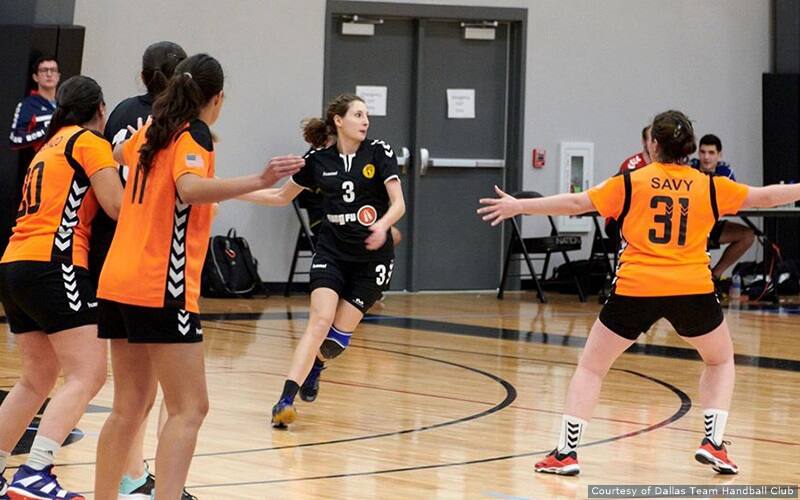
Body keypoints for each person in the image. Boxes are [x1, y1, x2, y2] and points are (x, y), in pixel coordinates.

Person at [479, 109, 800, 476]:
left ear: (653, 144)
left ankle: (566, 453)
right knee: (719, 360)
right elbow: (765, 197)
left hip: (636, 287)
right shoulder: (710, 185)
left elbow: (575, 204)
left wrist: (519, 206)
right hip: (691, 287)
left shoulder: (630, 182)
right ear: (689, 148)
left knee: (592, 368)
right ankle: (713, 444)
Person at [92, 53, 303, 500]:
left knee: (128, 408)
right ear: (218, 98)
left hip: (116, 280)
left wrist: (267, 193)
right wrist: (258, 178)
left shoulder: (151, 131)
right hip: (158, 286)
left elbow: (115, 154)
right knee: (190, 407)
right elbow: (189, 187)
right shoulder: (195, 134)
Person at [242, 93, 405, 428]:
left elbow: (399, 204)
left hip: (372, 261)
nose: (365, 121)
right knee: (319, 322)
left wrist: (383, 225)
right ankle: (284, 401)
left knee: (333, 342)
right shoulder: (317, 161)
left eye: (366, 115)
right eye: (358, 115)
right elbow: (279, 196)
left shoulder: (379, 152)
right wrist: (228, 191)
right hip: (332, 253)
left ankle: (316, 367)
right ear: (338, 120)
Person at [0, 75, 123, 500]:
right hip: (56, 262)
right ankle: (36, 472)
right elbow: (117, 206)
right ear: (100, 110)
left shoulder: (50, 146)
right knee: (89, 373)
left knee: (36, 377)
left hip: (15, 263)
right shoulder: (89, 142)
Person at [87, 41, 193, 500]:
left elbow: (112, 170)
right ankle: (156, 484)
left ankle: (131, 479)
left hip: (115, 251)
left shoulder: (124, 114)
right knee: (178, 396)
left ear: (143, 73)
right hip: (158, 258)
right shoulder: (181, 127)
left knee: (130, 397)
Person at [688, 134, 755, 284]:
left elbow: (732, 200)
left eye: (711, 153)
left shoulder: (726, 172)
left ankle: (715, 275)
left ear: (719, 155)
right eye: (703, 152)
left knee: (747, 235)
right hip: (689, 228)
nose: (706, 157)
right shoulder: (689, 169)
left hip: (711, 224)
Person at [8, 56, 61, 214]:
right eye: (44, 70)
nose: (49, 74)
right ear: (35, 76)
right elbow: (14, 139)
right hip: (35, 174)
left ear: (59, 76)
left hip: (60, 171)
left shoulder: (65, 104)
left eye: (53, 70)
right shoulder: (28, 105)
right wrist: (45, 131)